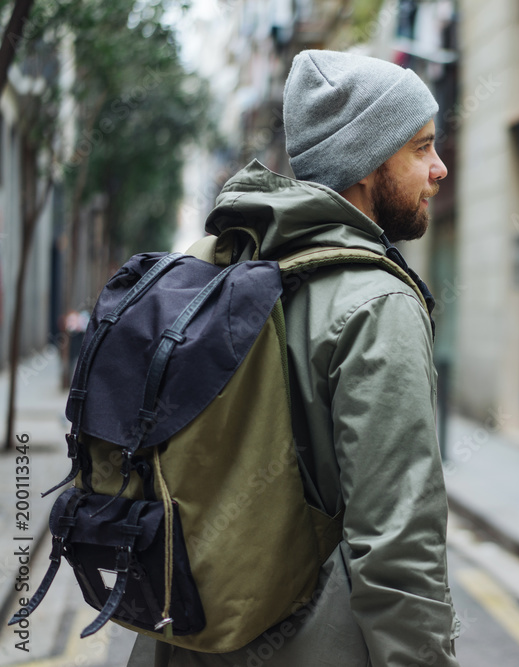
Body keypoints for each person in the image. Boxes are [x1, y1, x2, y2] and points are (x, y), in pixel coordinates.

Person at [128, 50, 460, 666]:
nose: (439, 168)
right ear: (365, 162)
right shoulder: (376, 302)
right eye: (420, 147)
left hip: (182, 638)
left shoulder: (222, 269)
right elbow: (398, 547)